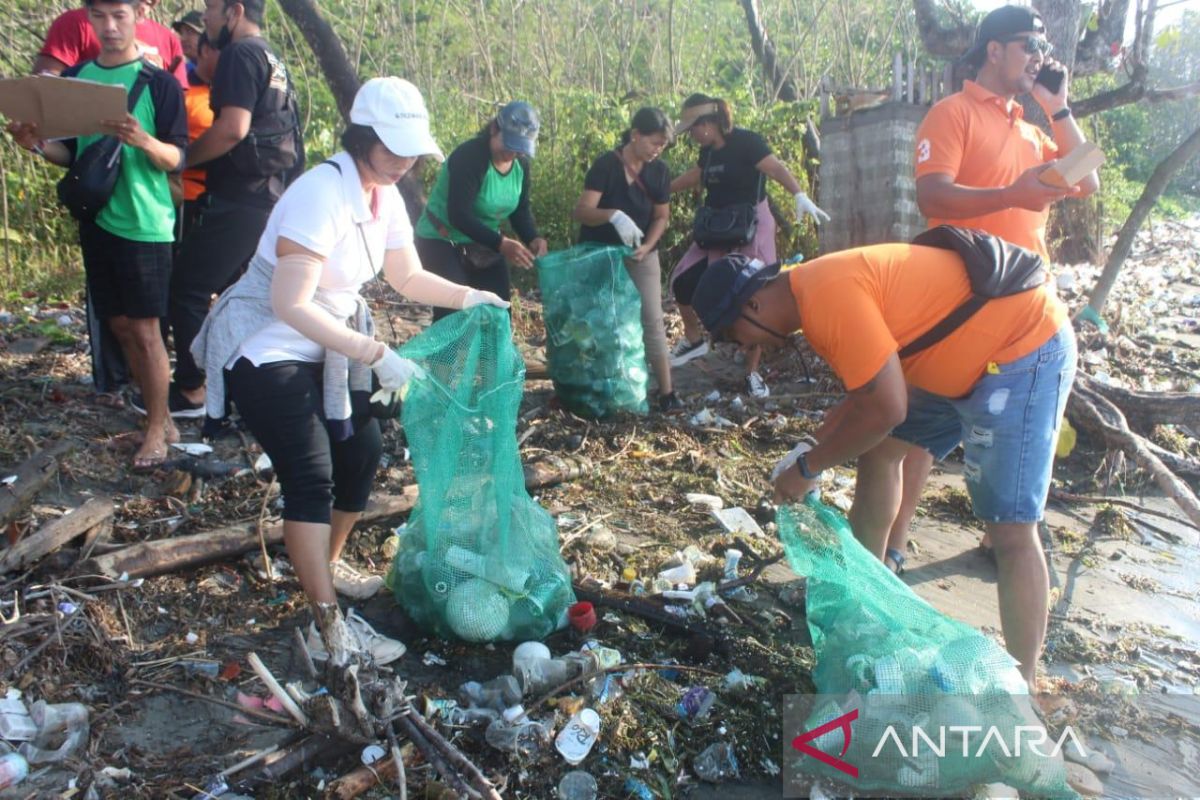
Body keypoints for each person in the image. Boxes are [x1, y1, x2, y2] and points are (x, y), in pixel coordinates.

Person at [191, 78, 509, 665]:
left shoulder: (384, 195)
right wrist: (373, 354)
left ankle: (327, 566)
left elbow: (407, 277)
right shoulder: (321, 194)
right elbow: (290, 305)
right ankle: (327, 626)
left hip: (326, 345)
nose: (404, 162)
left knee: (361, 452)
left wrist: (470, 296)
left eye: (411, 150)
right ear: (361, 137)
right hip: (266, 345)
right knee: (310, 474)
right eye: (392, 148)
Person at [690, 240, 1076, 690]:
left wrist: (810, 467)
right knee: (879, 454)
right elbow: (866, 395)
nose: (741, 347)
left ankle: (1022, 688)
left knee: (1010, 530)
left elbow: (886, 410)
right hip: (951, 355)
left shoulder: (824, 299)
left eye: (734, 335)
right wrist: (808, 448)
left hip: (1020, 347)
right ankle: (867, 608)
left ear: (753, 303)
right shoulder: (813, 289)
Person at [882, 5, 1100, 574]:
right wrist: (1011, 194)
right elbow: (934, 198)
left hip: (1025, 322)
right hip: (958, 308)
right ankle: (895, 542)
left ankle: (996, 537)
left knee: (1013, 437)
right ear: (994, 50)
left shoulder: (1031, 128)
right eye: (1028, 46)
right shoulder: (952, 113)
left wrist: (1057, 106)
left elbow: (1089, 177)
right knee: (912, 437)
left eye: (1042, 48)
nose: (1037, 57)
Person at [9, 0, 187, 469]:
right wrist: (36, 145)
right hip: (98, 218)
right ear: (87, 20)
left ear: (139, 17)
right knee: (120, 324)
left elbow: (177, 159)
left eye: (119, 17)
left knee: (148, 329)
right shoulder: (76, 80)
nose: (109, 27)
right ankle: (158, 415)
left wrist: (143, 140)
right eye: (100, 17)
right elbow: (73, 153)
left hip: (146, 222)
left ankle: (157, 429)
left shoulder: (159, 83)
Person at [157, 0, 305, 421]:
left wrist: (183, 158)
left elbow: (232, 129)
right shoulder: (271, 56)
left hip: (244, 196)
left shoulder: (240, 54)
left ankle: (191, 389)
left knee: (187, 287)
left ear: (234, 11)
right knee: (243, 294)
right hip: (270, 196)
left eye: (210, 9)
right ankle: (246, 385)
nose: (205, 18)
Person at [667, 93, 829, 399]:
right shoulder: (708, 153)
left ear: (710, 122)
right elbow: (698, 177)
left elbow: (776, 168)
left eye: (694, 128)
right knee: (683, 280)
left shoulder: (747, 142)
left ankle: (752, 373)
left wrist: (799, 194)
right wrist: (663, 190)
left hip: (749, 226)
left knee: (752, 294)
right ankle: (693, 338)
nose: (692, 135)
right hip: (716, 230)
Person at [572, 107, 681, 412]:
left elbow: (662, 216)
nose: (657, 150)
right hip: (600, 253)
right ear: (635, 135)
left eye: (662, 145)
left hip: (639, 253)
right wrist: (612, 215)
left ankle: (667, 391)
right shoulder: (606, 166)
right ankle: (598, 386)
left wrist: (648, 245)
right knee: (600, 319)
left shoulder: (659, 171)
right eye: (653, 142)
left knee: (652, 319)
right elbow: (582, 211)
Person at [413, 101, 548, 322]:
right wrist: (501, 244)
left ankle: (490, 357)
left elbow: (520, 210)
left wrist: (532, 237)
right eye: (508, 145)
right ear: (494, 129)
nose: (512, 153)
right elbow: (459, 214)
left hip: (483, 241)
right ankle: (445, 356)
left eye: (519, 149)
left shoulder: (520, 166)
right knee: (454, 312)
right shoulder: (471, 157)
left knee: (497, 311)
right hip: (441, 238)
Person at [178, 33, 218, 241]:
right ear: (205, 51)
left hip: (224, 198)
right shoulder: (181, 91)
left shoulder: (234, 94)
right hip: (186, 196)